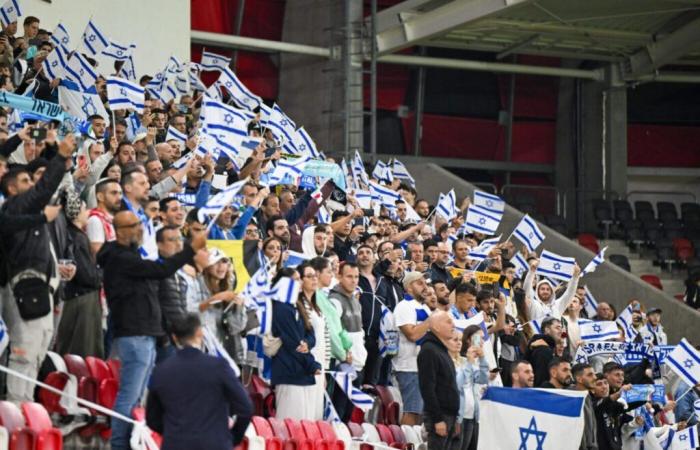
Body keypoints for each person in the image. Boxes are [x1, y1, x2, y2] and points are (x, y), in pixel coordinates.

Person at [97, 210, 206, 450]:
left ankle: (127, 442)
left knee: (136, 398)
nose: (140, 229)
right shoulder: (120, 258)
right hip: (134, 334)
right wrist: (190, 250)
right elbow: (160, 270)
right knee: (129, 395)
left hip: (145, 334)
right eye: (136, 225)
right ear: (123, 230)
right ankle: (119, 445)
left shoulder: (129, 256)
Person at [0, 135, 76, 402]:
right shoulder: (15, 206)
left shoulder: (30, 209)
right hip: (24, 285)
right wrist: (60, 157)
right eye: (25, 181)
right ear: (11, 189)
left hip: (41, 287)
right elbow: (44, 189)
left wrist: (56, 152)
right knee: (25, 353)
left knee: (38, 351)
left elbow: (49, 191)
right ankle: (15, 413)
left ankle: (25, 407)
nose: (31, 185)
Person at [146, 313, 253, 450]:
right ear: (199, 332)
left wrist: (173, 433)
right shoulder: (218, 366)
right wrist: (232, 437)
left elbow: (152, 418)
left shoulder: (161, 371)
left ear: (174, 337)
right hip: (215, 443)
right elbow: (246, 407)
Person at [55, 195, 103, 358]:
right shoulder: (77, 237)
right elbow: (87, 275)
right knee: (81, 350)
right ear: (75, 213)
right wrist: (100, 275)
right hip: (81, 300)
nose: (88, 212)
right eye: (84, 209)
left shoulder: (72, 234)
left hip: (78, 297)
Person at [270, 268, 322, 420]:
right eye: (296, 279)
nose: (300, 283)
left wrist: (307, 343)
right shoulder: (281, 308)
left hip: (302, 371)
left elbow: (310, 333)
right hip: (289, 371)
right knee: (290, 424)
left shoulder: (296, 304)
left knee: (305, 423)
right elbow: (293, 343)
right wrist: (312, 364)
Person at [393, 271, 431, 425]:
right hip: (409, 367)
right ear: (409, 287)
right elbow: (412, 334)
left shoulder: (424, 308)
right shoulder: (404, 306)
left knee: (420, 413)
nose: (425, 287)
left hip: (422, 366)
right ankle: (406, 444)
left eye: (425, 283)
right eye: (419, 283)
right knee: (412, 411)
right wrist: (431, 321)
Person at [417, 311, 459, 450]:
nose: (453, 325)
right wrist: (438, 419)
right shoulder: (429, 350)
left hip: (449, 416)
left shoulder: (440, 350)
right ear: (436, 327)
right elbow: (427, 388)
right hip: (440, 417)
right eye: (448, 321)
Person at [297, 262, 330, 420]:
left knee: (316, 414)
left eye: (315, 276)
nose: (314, 279)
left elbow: (324, 339)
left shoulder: (316, 307)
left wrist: (324, 372)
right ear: (300, 280)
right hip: (306, 366)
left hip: (319, 365)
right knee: (305, 414)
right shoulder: (298, 305)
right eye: (309, 276)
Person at [455, 326, 489, 450]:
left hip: (472, 414)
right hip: (460, 415)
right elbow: (461, 382)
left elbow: (483, 378)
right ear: (469, 340)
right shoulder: (453, 362)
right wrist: (469, 362)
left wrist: (482, 358)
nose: (481, 341)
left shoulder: (466, 361)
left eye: (483, 338)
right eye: (478, 338)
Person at [525, 316, 562, 387]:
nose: (561, 331)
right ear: (547, 330)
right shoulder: (543, 350)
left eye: (561, 328)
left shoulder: (548, 347)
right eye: (557, 328)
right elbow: (542, 379)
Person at [570, 363, 598, 450]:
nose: (595, 378)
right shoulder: (572, 398)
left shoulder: (587, 396)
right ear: (579, 379)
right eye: (590, 375)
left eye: (594, 374)